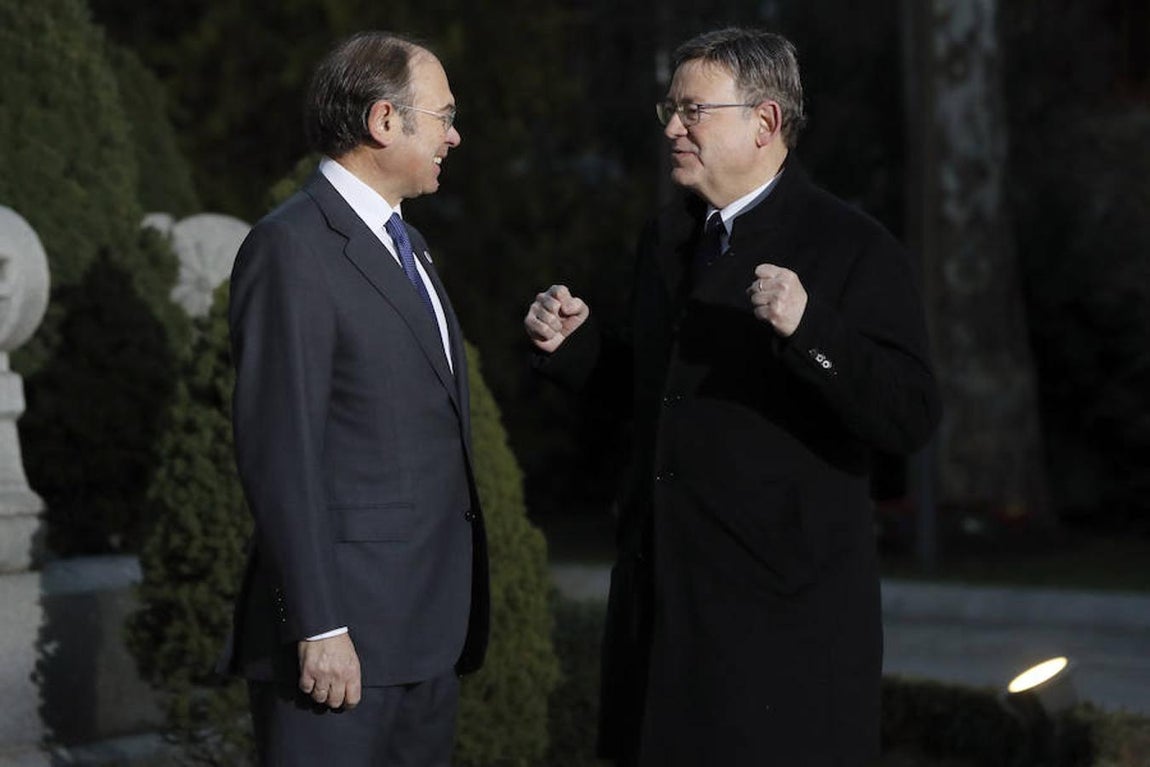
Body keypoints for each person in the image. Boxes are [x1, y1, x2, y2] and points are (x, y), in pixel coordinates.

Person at [525, 27, 940, 767]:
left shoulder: (851, 246)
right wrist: (578, 346)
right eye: (670, 110)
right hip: (660, 619)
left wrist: (812, 326)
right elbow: (662, 398)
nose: (674, 128)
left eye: (694, 110)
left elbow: (909, 412)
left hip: (780, 632)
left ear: (766, 121)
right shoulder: (667, 240)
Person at [220, 31, 488, 766]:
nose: (454, 136)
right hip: (342, 647)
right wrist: (319, 625)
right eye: (443, 116)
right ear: (383, 121)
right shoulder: (291, 248)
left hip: (424, 636)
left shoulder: (412, 245)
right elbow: (280, 449)